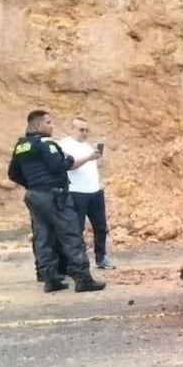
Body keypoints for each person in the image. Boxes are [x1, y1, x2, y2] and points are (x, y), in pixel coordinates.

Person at [8, 110, 107, 293]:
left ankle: (50, 279)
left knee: (43, 237)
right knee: (71, 235)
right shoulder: (47, 144)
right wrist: (67, 160)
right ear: (38, 125)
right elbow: (58, 166)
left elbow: (13, 173)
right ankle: (83, 279)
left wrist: (32, 184)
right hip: (53, 195)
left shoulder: (21, 145)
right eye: (49, 122)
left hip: (34, 195)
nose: (52, 125)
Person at [58, 116, 115, 270]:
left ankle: (101, 257)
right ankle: (77, 261)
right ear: (71, 129)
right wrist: (89, 158)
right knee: (77, 229)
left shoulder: (88, 146)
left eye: (86, 130)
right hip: (76, 192)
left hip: (95, 191)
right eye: (81, 130)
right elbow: (68, 166)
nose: (84, 133)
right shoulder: (63, 146)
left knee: (101, 227)